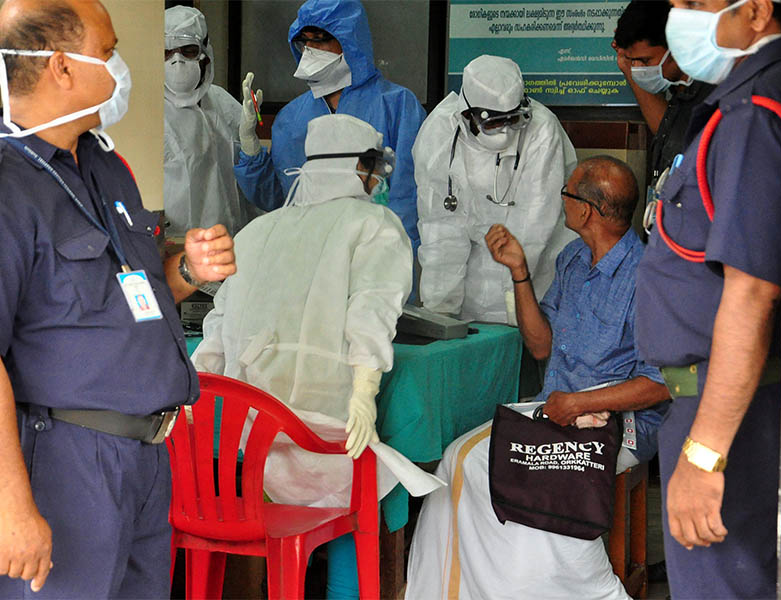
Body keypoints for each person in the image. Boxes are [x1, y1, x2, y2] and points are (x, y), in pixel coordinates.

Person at [0, 0, 236, 597]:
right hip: (67, 464)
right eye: (107, 53)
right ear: (61, 66)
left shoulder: (106, 164)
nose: (120, 67)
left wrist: (186, 269)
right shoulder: (9, 186)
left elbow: (129, 291)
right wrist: (12, 508)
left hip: (147, 457)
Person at [405, 156, 670, 599]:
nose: (560, 200)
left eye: (566, 193)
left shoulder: (647, 276)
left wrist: (580, 404)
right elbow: (541, 345)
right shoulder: (572, 260)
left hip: (620, 426)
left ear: (586, 210)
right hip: (557, 410)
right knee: (457, 459)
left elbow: (661, 383)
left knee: (521, 476)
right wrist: (519, 272)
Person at [194, 113, 413, 599]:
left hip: (247, 440)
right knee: (360, 495)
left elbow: (213, 336)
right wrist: (364, 391)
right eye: (375, 169)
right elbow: (371, 313)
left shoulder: (255, 232)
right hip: (319, 431)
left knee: (299, 508)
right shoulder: (374, 223)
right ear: (361, 169)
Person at [634, 0, 781, 597]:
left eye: (694, 3)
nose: (679, 15)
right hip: (731, 406)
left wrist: (704, 457)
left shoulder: (753, 110)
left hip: (731, 416)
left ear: (754, 11)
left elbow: (752, 290)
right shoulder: (743, 99)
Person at [234, 0, 426, 257]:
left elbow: (407, 197)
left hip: (376, 254)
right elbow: (280, 199)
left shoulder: (397, 106)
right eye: (305, 42)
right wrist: (251, 148)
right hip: (308, 257)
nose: (311, 50)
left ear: (350, 40)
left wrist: (395, 261)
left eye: (321, 39)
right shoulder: (291, 119)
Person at [415, 54, 577, 324]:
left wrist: (514, 304)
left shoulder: (542, 129)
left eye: (513, 120)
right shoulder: (439, 131)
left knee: (523, 345)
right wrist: (439, 312)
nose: (504, 131)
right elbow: (440, 229)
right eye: (492, 122)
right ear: (466, 113)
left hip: (534, 273)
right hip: (473, 278)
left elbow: (534, 225)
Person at [163, 5, 259, 238]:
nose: (177, 62)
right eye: (167, 52)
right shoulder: (150, 114)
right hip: (180, 247)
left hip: (234, 239)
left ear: (206, 51)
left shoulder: (222, 102)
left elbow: (253, 176)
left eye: (188, 50)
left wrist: (251, 142)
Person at [612, 0, 715, 186]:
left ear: (676, 45)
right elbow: (668, 132)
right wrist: (627, 65)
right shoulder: (679, 90)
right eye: (632, 60)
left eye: (644, 60)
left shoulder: (713, 96)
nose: (638, 68)